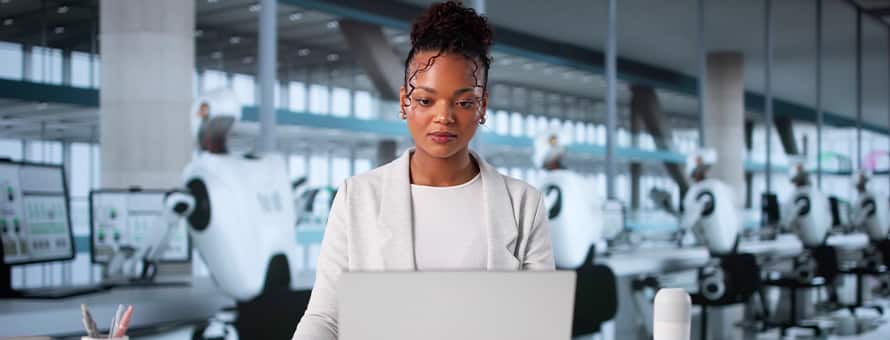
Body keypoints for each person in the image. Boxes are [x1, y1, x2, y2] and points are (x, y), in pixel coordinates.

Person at [292, 2, 555, 339]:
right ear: (405, 103)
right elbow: (326, 317)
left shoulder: (524, 204)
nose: (443, 117)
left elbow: (540, 326)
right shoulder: (357, 197)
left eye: (463, 102)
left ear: (482, 107)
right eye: (426, 100)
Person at [678, 149, 740, 255]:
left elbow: (691, 215)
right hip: (733, 242)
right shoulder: (718, 186)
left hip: (719, 246)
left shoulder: (701, 190)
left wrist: (682, 230)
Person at [780, 161, 831, 248]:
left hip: (806, 245)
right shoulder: (819, 194)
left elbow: (785, 224)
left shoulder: (793, 197)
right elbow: (828, 221)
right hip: (824, 244)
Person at [851, 170, 889, 242]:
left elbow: (856, 222)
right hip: (882, 238)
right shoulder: (876, 196)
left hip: (876, 240)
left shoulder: (866, 198)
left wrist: (850, 226)